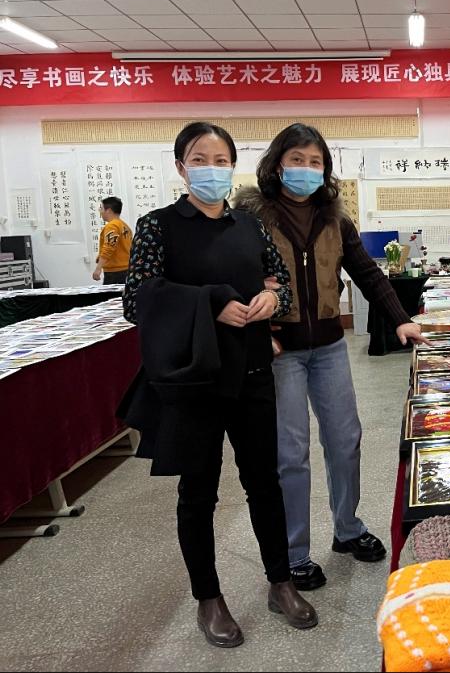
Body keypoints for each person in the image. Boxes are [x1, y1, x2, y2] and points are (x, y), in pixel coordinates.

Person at [120, 122, 317, 648]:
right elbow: (137, 300)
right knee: (198, 492)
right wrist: (209, 303)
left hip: (252, 372)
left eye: (221, 160)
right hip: (194, 381)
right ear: (180, 167)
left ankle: (280, 582)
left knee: (265, 482)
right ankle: (208, 597)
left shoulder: (249, 226)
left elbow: (280, 283)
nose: (212, 170)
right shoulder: (158, 226)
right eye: (199, 160)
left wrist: (274, 299)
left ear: (234, 166)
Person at [235, 123, 428, 592]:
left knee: (345, 439)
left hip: (328, 346)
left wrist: (401, 319)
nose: (305, 169)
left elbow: (367, 273)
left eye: (315, 162)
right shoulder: (250, 219)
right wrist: (258, 333)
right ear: (277, 164)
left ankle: (347, 527)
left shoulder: (334, 218)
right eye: (296, 160)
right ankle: (295, 553)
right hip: (280, 350)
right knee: (291, 453)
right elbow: (237, 278)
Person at [92, 196, 132, 284]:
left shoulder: (112, 226)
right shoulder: (125, 226)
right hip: (126, 269)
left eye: (101, 208)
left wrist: (98, 268)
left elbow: (109, 247)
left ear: (109, 210)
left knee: (111, 293)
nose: (100, 211)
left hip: (115, 273)